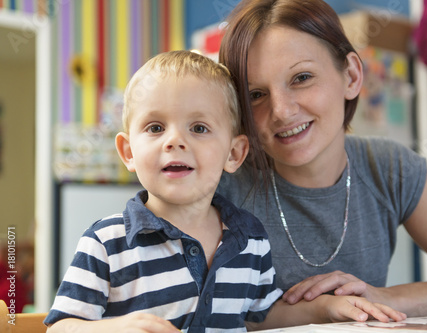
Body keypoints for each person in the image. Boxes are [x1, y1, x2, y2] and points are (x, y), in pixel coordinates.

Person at [44, 50, 405, 333]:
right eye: (155, 127)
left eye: (199, 128)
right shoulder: (105, 242)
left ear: (234, 154)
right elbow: (61, 326)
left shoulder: (250, 238)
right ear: (128, 153)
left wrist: (326, 308)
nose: (175, 141)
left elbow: (263, 315)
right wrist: (113, 329)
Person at [217, 0, 427, 318]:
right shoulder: (219, 183)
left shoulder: (389, 167)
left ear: (351, 75)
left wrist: (384, 298)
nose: (281, 111)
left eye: (301, 78)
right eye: (256, 94)